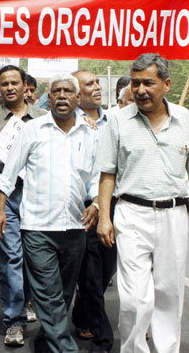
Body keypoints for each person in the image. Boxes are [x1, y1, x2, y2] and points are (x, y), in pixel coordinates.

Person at [96, 54, 189, 353]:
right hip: (131, 213)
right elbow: (107, 173)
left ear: (166, 84)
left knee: (169, 293)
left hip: (174, 214)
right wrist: (104, 217)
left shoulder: (185, 119)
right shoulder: (118, 121)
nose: (140, 90)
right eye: (135, 83)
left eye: (148, 83)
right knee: (135, 298)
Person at [0, 73, 99, 353]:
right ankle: (66, 349)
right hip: (38, 228)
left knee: (63, 293)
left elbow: (96, 178)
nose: (62, 95)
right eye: (56, 91)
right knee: (48, 294)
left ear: (78, 98)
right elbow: (9, 172)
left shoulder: (90, 134)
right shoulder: (33, 129)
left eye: (68, 91)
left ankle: (45, 342)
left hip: (75, 227)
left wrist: (97, 204)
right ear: (48, 97)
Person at [0, 65, 46, 347]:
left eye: (14, 83)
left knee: (37, 257)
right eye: (4, 84)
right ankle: (14, 321)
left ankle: (32, 303)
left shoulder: (44, 118)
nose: (9, 88)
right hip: (5, 197)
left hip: (38, 196)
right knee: (10, 258)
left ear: (25, 86)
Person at [71, 70, 116, 353]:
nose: (97, 87)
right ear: (77, 94)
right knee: (90, 273)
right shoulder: (65, 122)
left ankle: (82, 311)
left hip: (112, 205)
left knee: (106, 270)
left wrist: (103, 204)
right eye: (90, 84)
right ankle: (103, 338)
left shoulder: (115, 121)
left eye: (98, 82)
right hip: (83, 208)